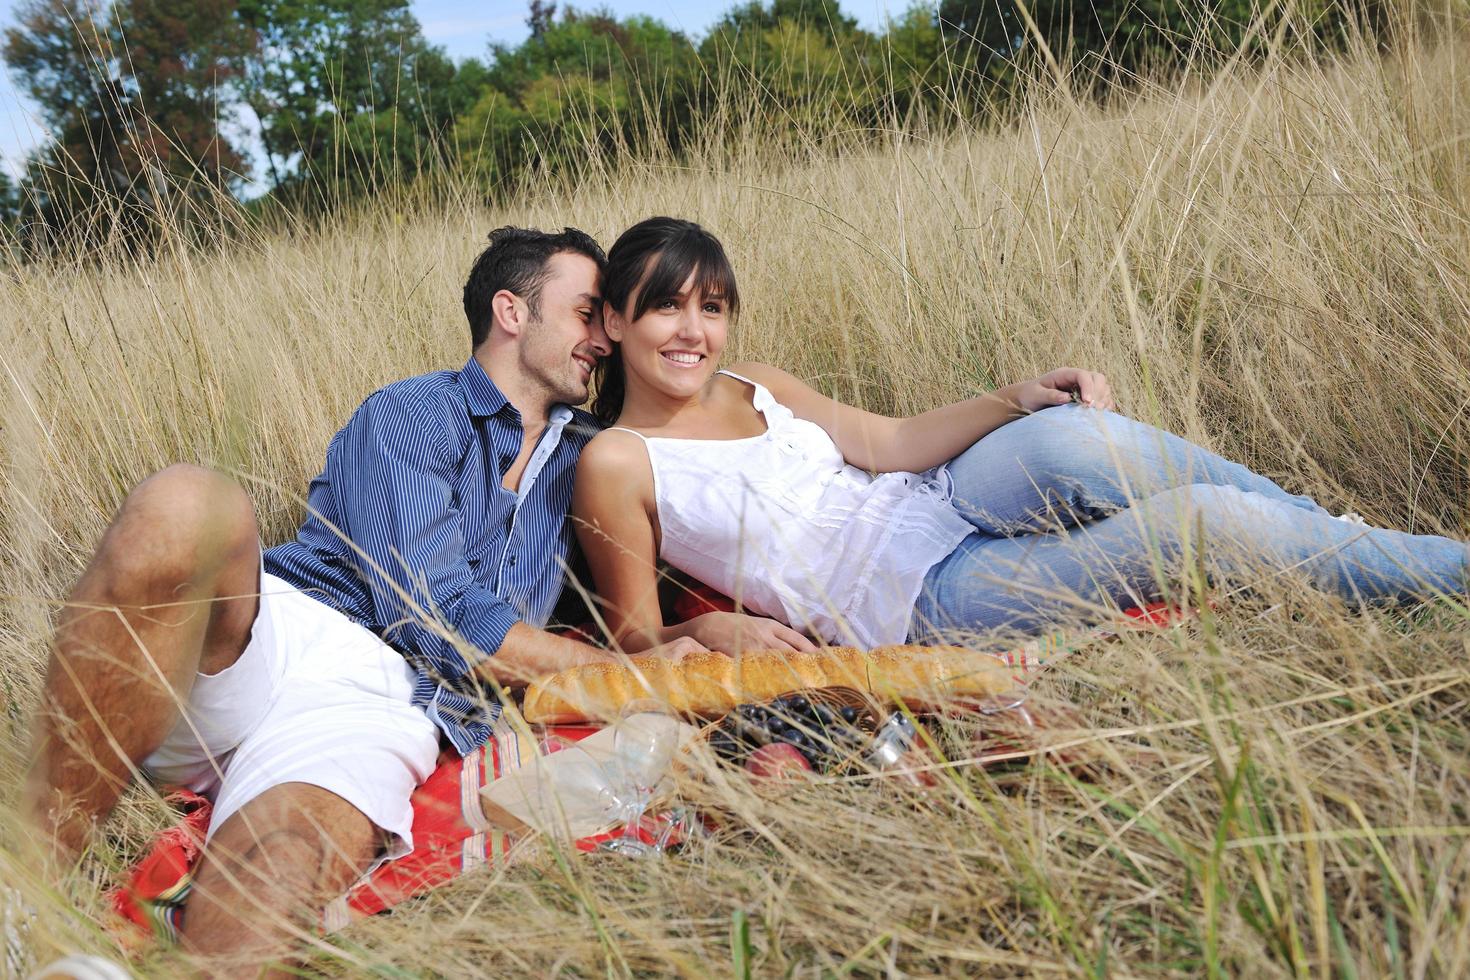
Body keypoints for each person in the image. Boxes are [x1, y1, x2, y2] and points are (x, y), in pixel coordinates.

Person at [22, 226, 698, 971]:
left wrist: (711, 634)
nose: (603, 337)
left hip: (382, 707)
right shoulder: (413, 413)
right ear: (512, 311)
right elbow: (439, 617)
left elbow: (643, 588)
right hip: (278, 632)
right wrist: (636, 683)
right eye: (586, 312)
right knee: (186, 503)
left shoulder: (592, 456)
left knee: (281, 865)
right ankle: (30, 892)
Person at [572, 216, 1470, 654]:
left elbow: (885, 443)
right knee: (1204, 525)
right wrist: (720, 631)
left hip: (935, 497)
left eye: (713, 308)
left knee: (1077, 436)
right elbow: (635, 642)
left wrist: (1013, 398)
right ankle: (1448, 576)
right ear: (613, 321)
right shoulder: (617, 460)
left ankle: (1341, 540)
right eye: (665, 308)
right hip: (919, 595)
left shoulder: (752, 383)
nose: (693, 331)